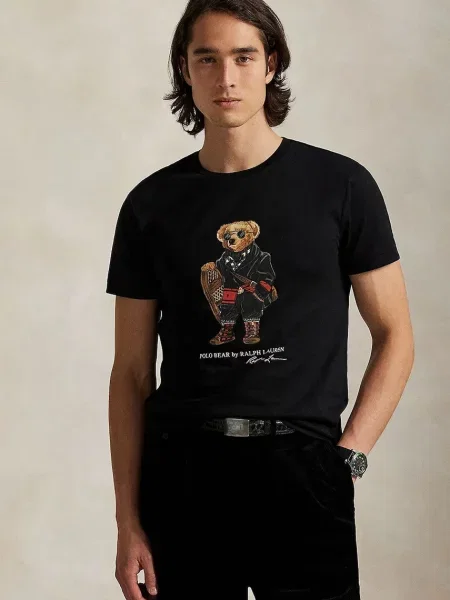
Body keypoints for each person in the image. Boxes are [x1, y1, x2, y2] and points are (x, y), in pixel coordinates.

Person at [106, 1, 414, 599]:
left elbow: (395, 334)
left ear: (271, 64)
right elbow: (132, 372)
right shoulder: (151, 205)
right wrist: (127, 518)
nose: (226, 78)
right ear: (184, 68)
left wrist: (349, 456)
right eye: (207, 58)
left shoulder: (341, 186)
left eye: (244, 57)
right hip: (185, 475)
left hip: (305, 472)